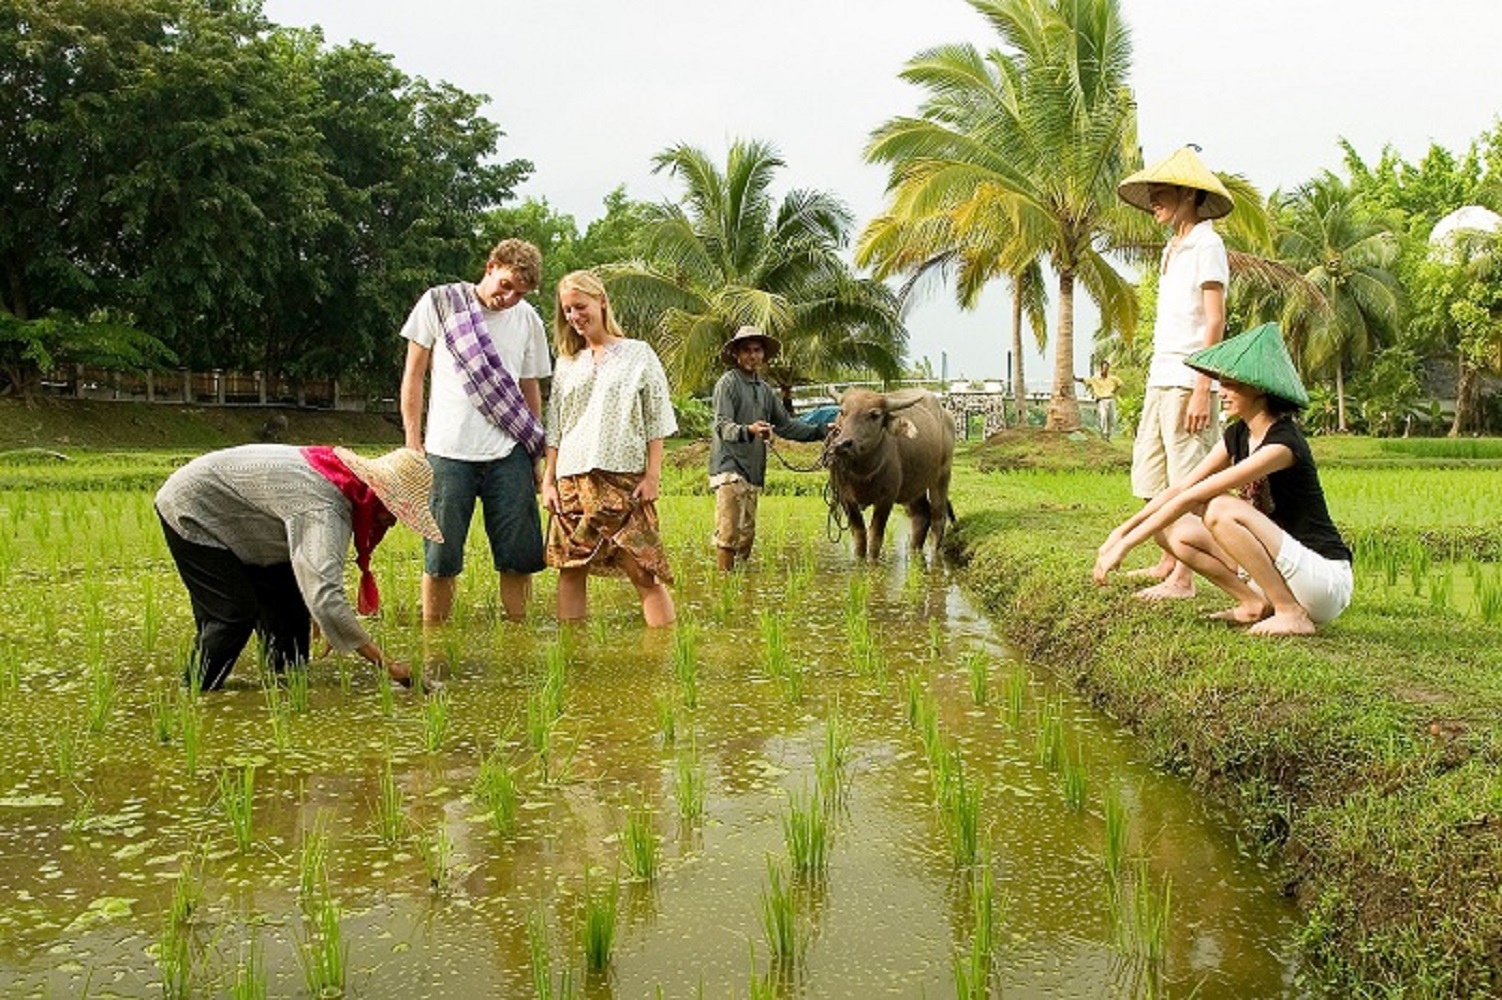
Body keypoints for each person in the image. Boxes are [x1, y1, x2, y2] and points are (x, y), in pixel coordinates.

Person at [1093, 323, 1352, 636]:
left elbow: (1195, 496)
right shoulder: (1237, 434)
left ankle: (1290, 612)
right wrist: (1119, 533)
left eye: (1230, 383)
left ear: (1258, 387)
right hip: (1279, 568)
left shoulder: (1284, 443)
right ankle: (1253, 603)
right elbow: (1181, 487)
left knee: (1221, 508)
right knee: (1174, 531)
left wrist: (1126, 546)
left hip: (1321, 579)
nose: (1222, 392)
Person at [155, 444, 444, 690]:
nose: (393, 523)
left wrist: (320, 612)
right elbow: (326, 597)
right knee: (232, 615)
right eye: (394, 512)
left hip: (252, 524)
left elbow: (312, 573)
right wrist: (388, 666)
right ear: (377, 497)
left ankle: (283, 687)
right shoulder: (325, 506)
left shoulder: (341, 479)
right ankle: (193, 693)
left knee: (290, 615)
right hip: (194, 509)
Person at [398, 238, 550, 624]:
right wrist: (413, 444)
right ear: (490, 267)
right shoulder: (441, 302)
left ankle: (519, 641)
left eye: (520, 293)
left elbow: (529, 388)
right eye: (506, 286)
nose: (509, 298)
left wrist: (537, 454)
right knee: (440, 560)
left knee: (519, 558)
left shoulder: (528, 319)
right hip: (448, 452)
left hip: (508, 452)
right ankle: (436, 644)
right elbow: (413, 376)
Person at [1116, 146, 1233, 600]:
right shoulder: (1173, 247)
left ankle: (1183, 579)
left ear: (1187, 193)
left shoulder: (1208, 244)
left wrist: (1204, 384)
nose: (1153, 203)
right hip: (1160, 376)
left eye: (1160, 193)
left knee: (1187, 484)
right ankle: (1169, 560)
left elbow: (1215, 320)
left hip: (1188, 379)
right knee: (1151, 479)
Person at [541, 270, 677, 626]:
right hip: (572, 478)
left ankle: (667, 654)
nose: (574, 317)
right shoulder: (567, 362)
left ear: (601, 301)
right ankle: (573, 660)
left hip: (624, 479)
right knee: (571, 569)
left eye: (580, 306)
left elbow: (656, 418)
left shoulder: (638, 354)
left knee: (643, 570)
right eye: (567, 310)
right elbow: (555, 425)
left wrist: (653, 475)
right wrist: (549, 481)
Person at [710, 326, 831, 570]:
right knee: (729, 530)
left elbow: (787, 426)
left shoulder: (765, 391)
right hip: (729, 466)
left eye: (757, 350)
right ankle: (724, 588)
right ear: (736, 353)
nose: (752, 356)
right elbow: (723, 426)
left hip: (754, 468)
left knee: (747, 534)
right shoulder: (728, 384)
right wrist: (750, 430)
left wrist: (822, 430)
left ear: (764, 355)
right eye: (746, 350)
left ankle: (740, 587)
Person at [1075, 359, 1123, 441]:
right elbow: (1085, 380)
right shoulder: (1096, 378)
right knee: (1103, 416)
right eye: (1104, 368)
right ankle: (1104, 435)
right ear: (1101, 368)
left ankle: (1108, 435)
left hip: (1110, 399)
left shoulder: (1112, 378)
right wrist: (1075, 379)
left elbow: (1120, 384)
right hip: (1101, 400)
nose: (1105, 369)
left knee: (1111, 418)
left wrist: (1114, 391)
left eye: (1107, 368)